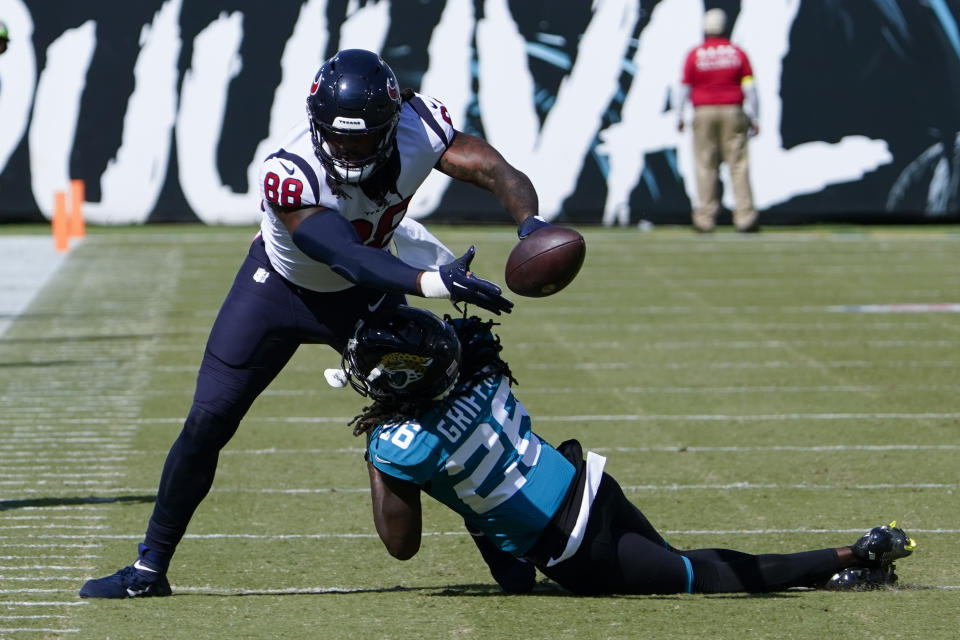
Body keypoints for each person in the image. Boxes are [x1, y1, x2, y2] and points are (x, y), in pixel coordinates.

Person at [79, 48, 557, 598]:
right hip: (278, 291)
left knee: (446, 411)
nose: (349, 150)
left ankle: (506, 558)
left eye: (362, 138)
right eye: (339, 136)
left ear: (392, 120)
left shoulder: (419, 126)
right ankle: (148, 569)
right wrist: (432, 282)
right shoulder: (290, 169)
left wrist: (531, 223)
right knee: (208, 421)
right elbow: (346, 255)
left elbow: (495, 169)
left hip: (365, 296)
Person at [341, 305, 917, 594]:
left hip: (574, 547)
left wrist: (376, 458)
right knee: (673, 558)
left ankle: (852, 557)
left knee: (700, 576)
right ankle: (842, 564)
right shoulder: (474, 360)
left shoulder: (400, 444)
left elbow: (401, 545)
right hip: (585, 482)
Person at [676, 8, 760, 234]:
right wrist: (755, 116)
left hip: (703, 111)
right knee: (738, 165)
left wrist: (679, 116)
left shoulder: (696, 54)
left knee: (705, 165)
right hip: (733, 110)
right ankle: (745, 218)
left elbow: (683, 88)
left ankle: (705, 218)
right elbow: (750, 88)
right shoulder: (737, 53)